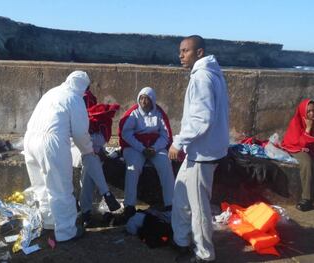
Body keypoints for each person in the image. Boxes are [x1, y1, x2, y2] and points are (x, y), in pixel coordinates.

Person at [168, 35, 229, 263]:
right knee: (181, 195)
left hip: (202, 153)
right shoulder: (211, 74)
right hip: (202, 151)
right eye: (180, 51)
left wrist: (179, 141)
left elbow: (201, 118)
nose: (180, 55)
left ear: (199, 52)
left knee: (199, 209)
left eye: (185, 51)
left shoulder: (202, 77)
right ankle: (181, 240)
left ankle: (204, 255)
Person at [23, 70, 97, 242]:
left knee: (41, 185)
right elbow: (80, 132)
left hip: (30, 139)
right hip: (51, 143)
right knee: (61, 189)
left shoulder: (52, 92)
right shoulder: (75, 99)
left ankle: (49, 223)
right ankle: (66, 232)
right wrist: (88, 150)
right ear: (84, 87)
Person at [118, 87, 174, 220]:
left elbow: (165, 134)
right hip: (135, 147)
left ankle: (170, 203)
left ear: (152, 100)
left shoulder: (158, 114)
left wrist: (155, 148)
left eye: (146, 98)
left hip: (155, 147)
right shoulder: (133, 114)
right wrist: (141, 148)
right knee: (133, 166)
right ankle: (129, 205)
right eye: (141, 98)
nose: (143, 101)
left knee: (165, 163)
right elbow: (126, 133)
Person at [79, 88, 121, 227]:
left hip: (87, 151)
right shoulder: (70, 106)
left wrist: (94, 147)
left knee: (90, 163)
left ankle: (86, 212)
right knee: (91, 158)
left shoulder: (95, 119)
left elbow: (97, 140)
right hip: (71, 149)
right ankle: (106, 193)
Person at [281, 99, 314, 211]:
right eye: (309, 111)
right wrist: (308, 129)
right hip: (296, 147)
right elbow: (300, 143)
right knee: (307, 163)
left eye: (313, 111)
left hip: (310, 148)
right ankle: (307, 199)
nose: (312, 114)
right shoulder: (296, 122)